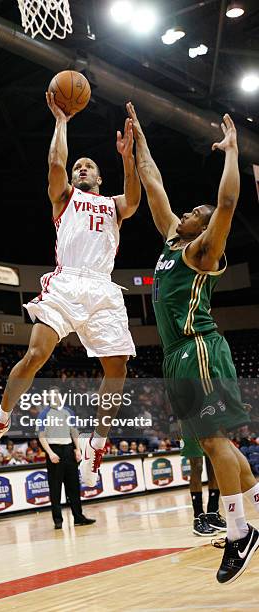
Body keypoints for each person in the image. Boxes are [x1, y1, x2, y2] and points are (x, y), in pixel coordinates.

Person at [0, 93, 141, 488]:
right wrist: (62, 123)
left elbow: (135, 197)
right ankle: (1, 418)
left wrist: (126, 156)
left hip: (102, 289)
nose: (81, 168)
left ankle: (97, 445)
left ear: (98, 178)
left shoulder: (114, 205)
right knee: (35, 353)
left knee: (117, 368)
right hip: (67, 281)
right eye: (78, 166)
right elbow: (55, 164)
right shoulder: (64, 198)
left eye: (88, 167)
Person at [129, 102, 259, 583]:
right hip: (174, 357)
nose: (185, 212)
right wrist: (139, 139)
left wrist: (231, 153)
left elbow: (225, 205)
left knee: (213, 440)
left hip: (198, 347)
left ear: (202, 228)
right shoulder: (170, 240)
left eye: (193, 213)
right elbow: (154, 184)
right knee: (216, 447)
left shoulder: (205, 250)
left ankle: (240, 532)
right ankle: (256, 509)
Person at [37, 389, 96, 529]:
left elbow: (74, 431)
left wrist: (77, 449)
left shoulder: (68, 411)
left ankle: (78, 517)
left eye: (57, 395)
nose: (55, 397)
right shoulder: (44, 414)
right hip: (54, 451)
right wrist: (50, 453)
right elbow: (41, 436)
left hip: (69, 450)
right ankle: (58, 520)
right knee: (55, 488)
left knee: (74, 487)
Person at [182, 437, 226, 536]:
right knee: (197, 465)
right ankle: (198, 516)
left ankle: (212, 513)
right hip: (189, 426)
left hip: (207, 425)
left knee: (214, 463)